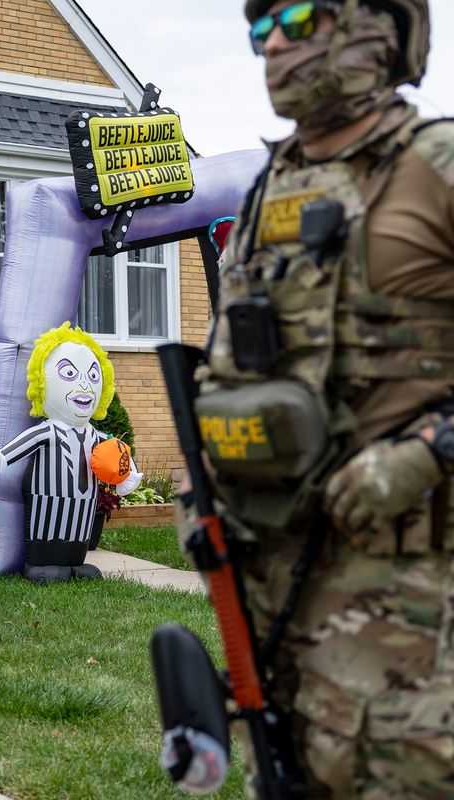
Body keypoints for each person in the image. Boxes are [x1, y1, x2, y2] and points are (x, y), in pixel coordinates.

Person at [188, 1, 453, 796]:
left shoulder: (433, 165)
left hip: (412, 609)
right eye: (258, 27)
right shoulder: (275, 182)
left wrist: (425, 452)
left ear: (376, 23)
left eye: (299, 15)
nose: (272, 41)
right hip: (277, 593)